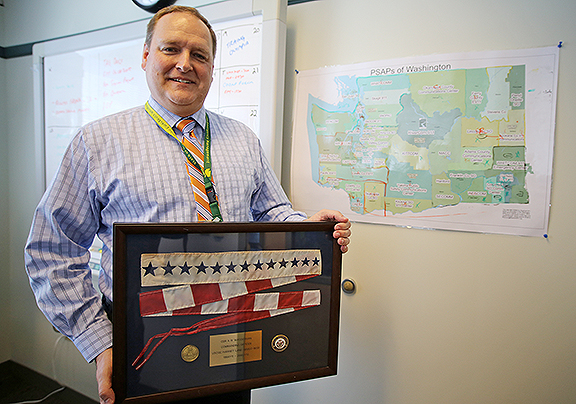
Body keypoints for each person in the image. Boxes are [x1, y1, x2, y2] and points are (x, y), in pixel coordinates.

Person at [24, 6, 351, 404]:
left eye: (199, 55)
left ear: (212, 67)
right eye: (170, 49)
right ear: (146, 56)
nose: (185, 64)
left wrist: (308, 225)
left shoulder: (243, 139)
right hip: (143, 334)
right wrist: (99, 340)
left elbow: (270, 212)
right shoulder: (97, 143)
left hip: (233, 324)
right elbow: (51, 252)